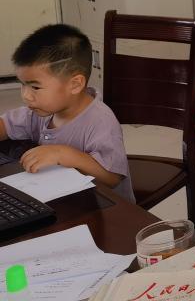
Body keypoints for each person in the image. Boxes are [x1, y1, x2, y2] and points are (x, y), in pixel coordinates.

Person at [0, 24, 134, 201]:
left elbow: (112, 178)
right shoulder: (42, 110)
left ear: (75, 84)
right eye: (22, 84)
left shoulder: (101, 122)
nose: (25, 95)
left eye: (35, 87)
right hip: (62, 199)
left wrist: (62, 154)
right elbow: (6, 124)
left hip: (104, 207)